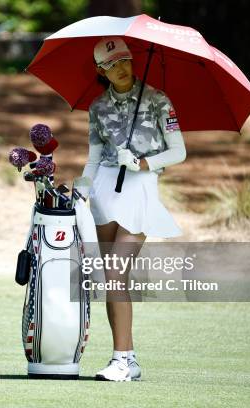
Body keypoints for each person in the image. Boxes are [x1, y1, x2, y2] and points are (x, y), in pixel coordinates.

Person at [83, 36, 187, 382]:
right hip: (105, 191)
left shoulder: (158, 100)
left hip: (140, 188)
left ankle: (124, 361)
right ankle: (124, 357)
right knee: (112, 278)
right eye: (111, 65)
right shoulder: (97, 107)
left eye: (125, 60)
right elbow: (95, 155)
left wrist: (143, 163)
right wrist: (84, 182)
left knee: (114, 272)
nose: (121, 68)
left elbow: (178, 152)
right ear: (101, 70)